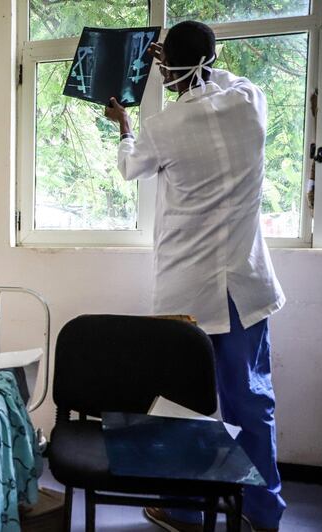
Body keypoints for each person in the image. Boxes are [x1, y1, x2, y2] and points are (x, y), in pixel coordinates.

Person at [104, 20, 286, 532]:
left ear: (165, 67)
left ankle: (183, 509)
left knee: (184, 407)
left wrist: (123, 122)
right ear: (213, 58)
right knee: (252, 402)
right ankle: (263, 512)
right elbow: (218, 80)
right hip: (246, 288)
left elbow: (128, 165)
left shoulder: (163, 127)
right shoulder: (251, 104)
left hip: (189, 294)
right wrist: (186, 60)